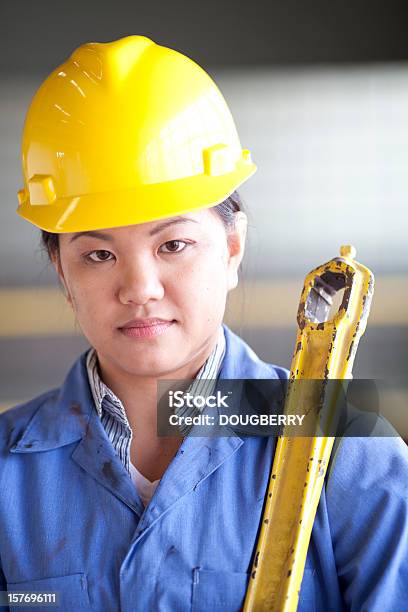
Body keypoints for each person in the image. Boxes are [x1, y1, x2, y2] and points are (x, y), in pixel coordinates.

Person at [0, 35, 407, 612]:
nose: (140, 287)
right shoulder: (5, 476)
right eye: (98, 255)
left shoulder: (348, 454)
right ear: (61, 272)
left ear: (232, 248)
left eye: (174, 244)